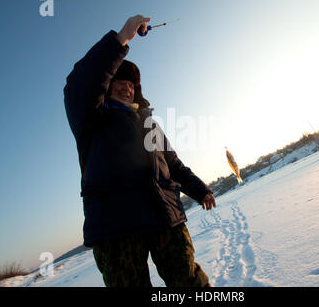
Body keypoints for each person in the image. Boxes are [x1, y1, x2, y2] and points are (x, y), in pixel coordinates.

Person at [63, 15, 217, 287]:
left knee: (190, 283)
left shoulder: (150, 125)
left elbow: (174, 166)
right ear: (108, 85)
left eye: (132, 84)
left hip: (164, 217)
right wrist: (120, 38)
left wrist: (200, 189)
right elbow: (78, 84)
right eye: (120, 82)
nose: (127, 87)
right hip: (116, 228)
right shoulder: (91, 119)